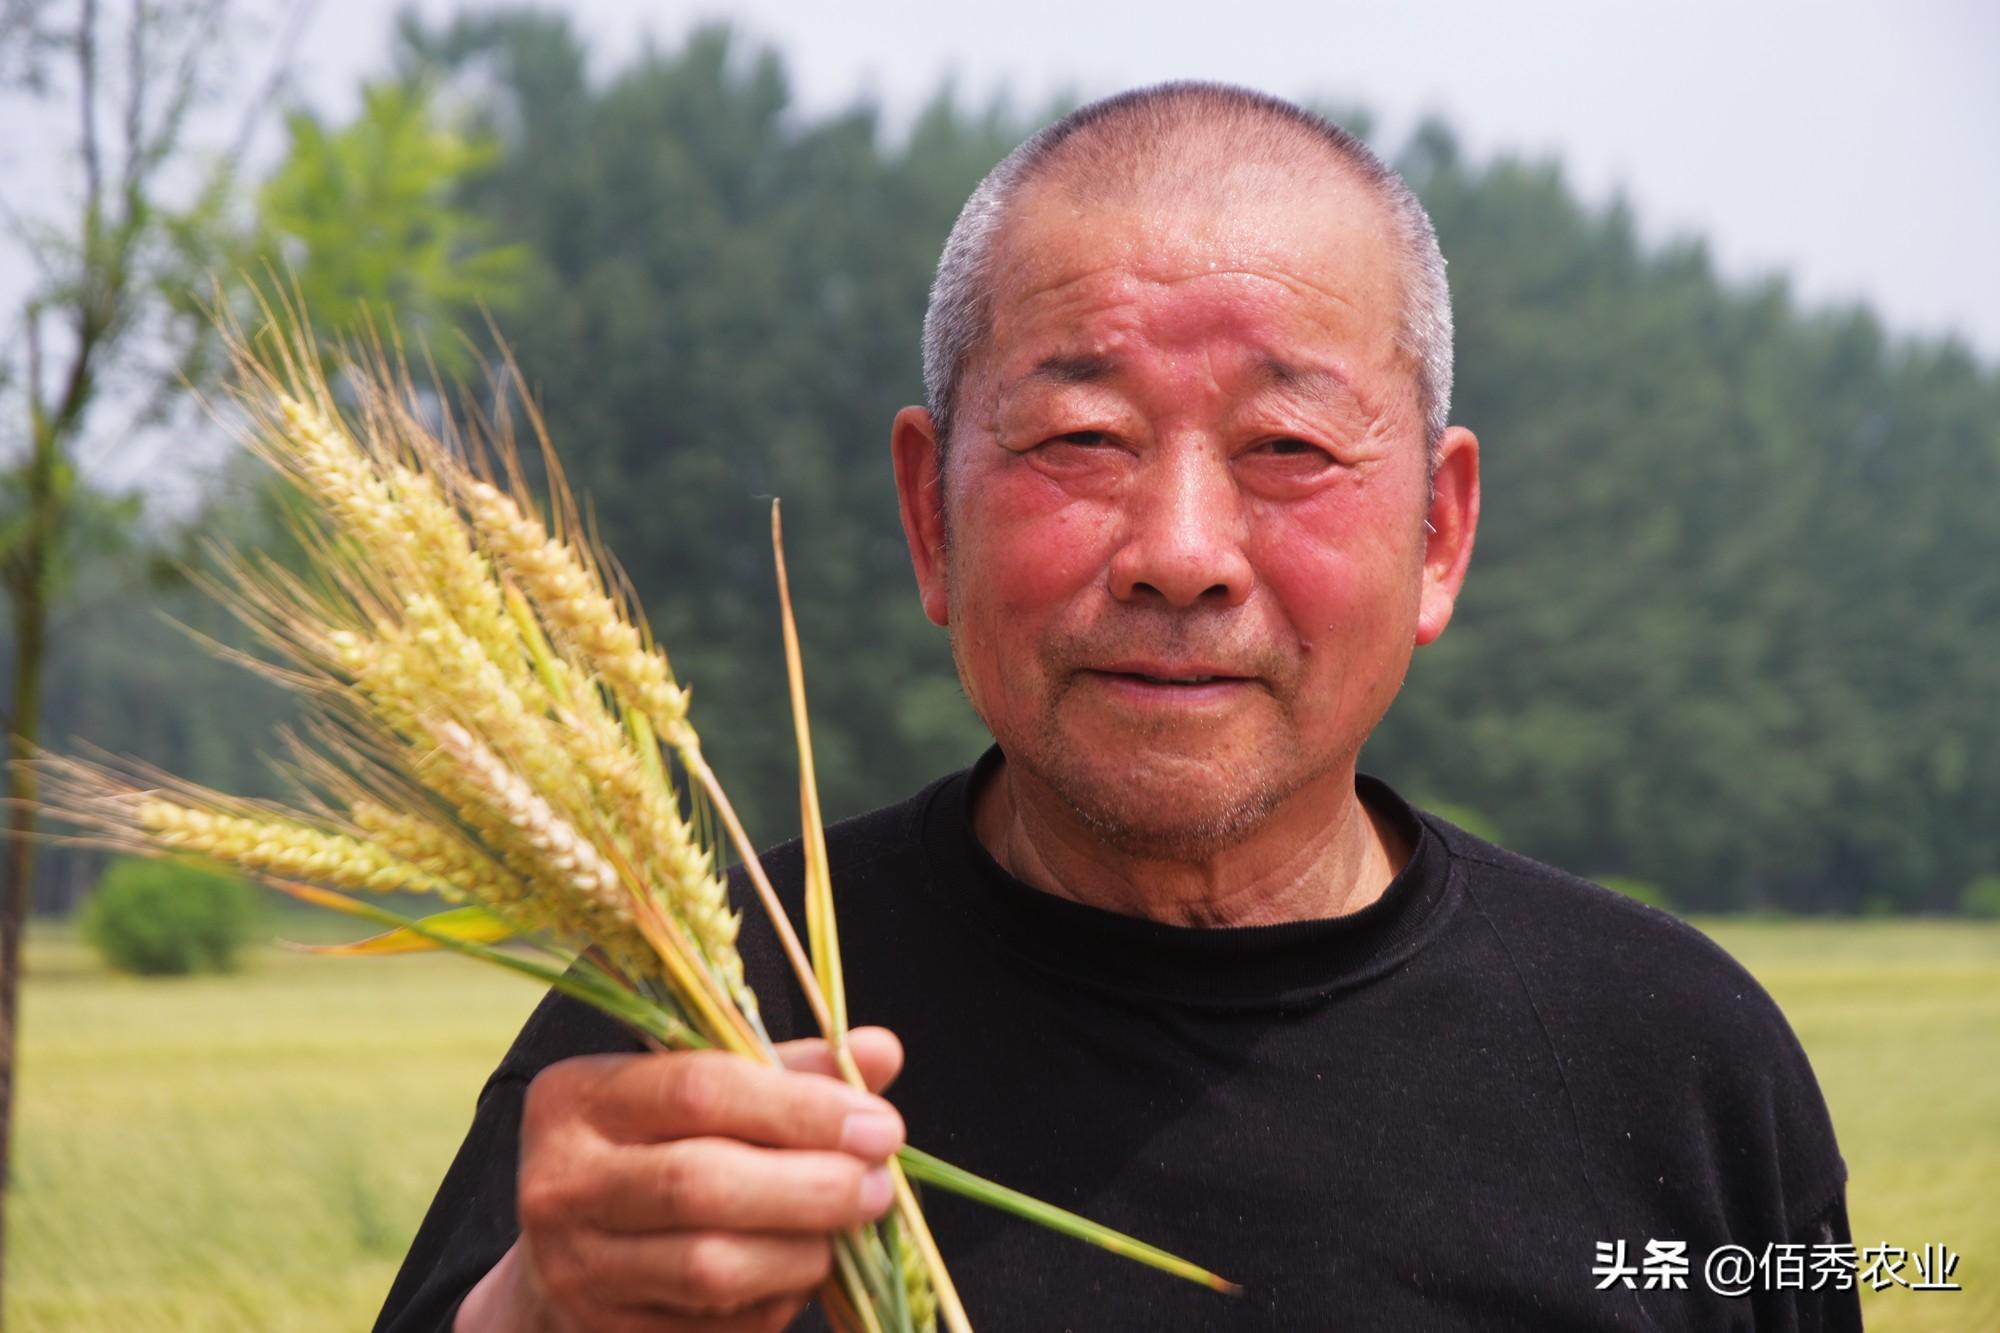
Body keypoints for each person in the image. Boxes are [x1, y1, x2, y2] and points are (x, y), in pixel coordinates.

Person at [378, 83, 1859, 1332]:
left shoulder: (1678, 1059)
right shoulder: (700, 1029)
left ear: (1441, 532)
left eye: (1289, 442)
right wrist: (527, 1311)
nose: (1180, 554)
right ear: (928, 513)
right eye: (1081, 436)